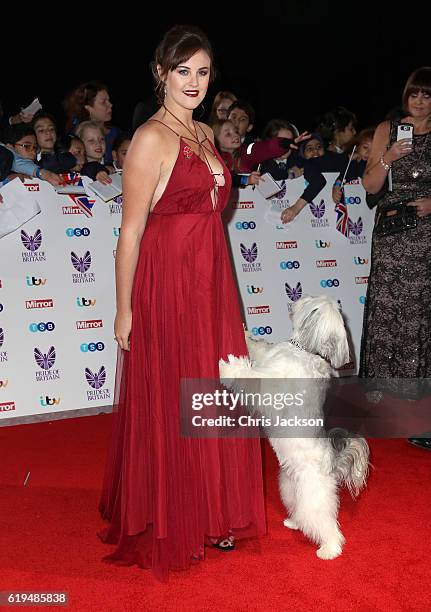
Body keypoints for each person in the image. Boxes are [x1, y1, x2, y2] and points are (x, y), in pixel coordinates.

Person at [97, 25, 267, 581]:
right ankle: (177, 514)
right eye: (182, 71)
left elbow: (212, 208)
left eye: (202, 71)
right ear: (161, 74)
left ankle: (215, 510)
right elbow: (130, 232)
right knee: (176, 391)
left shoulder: (204, 135)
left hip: (212, 280)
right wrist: (124, 309)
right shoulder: (151, 138)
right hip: (168, 282)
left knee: (213, 389)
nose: (193, 81)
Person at [359, 67, 431, 451]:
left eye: (427, 95)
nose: (418, 102)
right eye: (414, 94)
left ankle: (420, 408)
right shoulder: (387, 129)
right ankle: (381, 402)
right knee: (387, 311)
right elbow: (370, 185)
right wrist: (387, 158)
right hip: (390, 231)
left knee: (421, 314)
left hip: (426, 236)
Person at [63, 81, 120, 164]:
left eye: (109, 101)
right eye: (103, 102)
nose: (110, 105)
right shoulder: (75, 137)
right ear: (88, 108)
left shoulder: (116, 133)